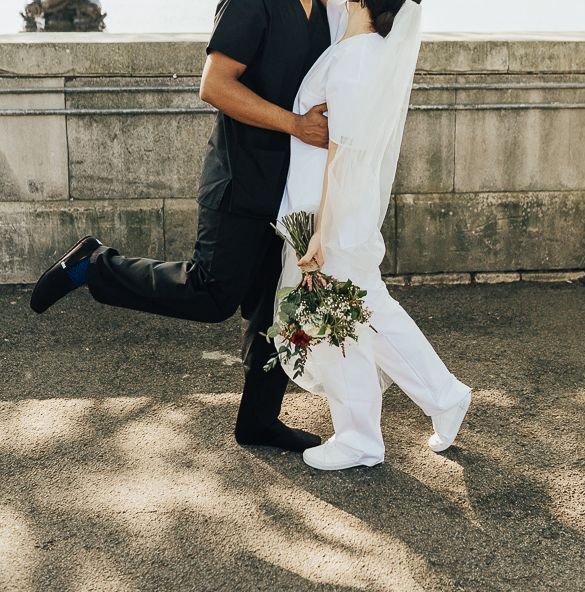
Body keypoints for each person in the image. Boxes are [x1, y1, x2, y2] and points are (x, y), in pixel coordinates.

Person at [29, 0, 334, 453]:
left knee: (276, 307)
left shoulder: (329, 9)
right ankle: (94, 266)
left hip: (293, 190)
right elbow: (214, 85)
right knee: (209, 294)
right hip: (239, 180)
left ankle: (258, 422)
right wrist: (294, 125)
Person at [273, 0, 473, 470]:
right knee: (364, 313)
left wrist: (320, 230)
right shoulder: (355, 44)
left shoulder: (355, 56)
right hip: (338, 210)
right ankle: (438, 397)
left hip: (334, 214)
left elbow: (340, 155)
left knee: (344, 321)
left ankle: (363, 436)